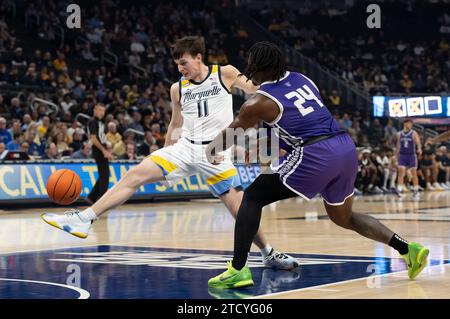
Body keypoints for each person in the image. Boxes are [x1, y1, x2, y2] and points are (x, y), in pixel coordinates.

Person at [41, 36, 298, 270]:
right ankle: (84, 219)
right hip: (184, 148)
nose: (180, 68)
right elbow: (175, 123)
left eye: (183, 62)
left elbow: (257, 90)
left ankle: (268, 253)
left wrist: (283, 87)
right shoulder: (178, 88)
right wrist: (164, 153)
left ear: (199, 57)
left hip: (216, 152)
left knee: (241, 210)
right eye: (177, 64)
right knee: (135, 175)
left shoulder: (226, 73)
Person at [205, 42, 429, 289]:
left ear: (259, 68)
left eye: (252, 68)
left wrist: (210, 149)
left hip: (316, 153)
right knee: (344, 217)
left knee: (254, 196)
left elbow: (231, 134)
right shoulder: (303, 79)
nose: (249, 74)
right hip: (345, 147)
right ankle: (408, 249)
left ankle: (238, 269)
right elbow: (298, 122)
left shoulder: (256, 104)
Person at [85, 103, 112, 204]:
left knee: (103, 176)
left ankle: (91, 197)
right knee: (105, 176)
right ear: (95, 110)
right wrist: (104, 150)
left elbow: (102, 138)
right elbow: (93, 139)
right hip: (98, 150)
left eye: (103, 111)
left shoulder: (101, 122)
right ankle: (101, 200)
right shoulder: (92, 121)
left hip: (101, 150)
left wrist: (107, 148)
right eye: (100, 110)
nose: (102, 112)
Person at [395, 119, 422, 200]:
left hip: (411, 155)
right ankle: (399, 190)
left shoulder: (413, 133)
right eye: (409, 123)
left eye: (411, 124)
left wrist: (419, 149)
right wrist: (396, 155)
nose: (411, 125)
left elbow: (418, 143)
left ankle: (416, 190)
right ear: (405, 124)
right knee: (401, 171)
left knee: (414, 173)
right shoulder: (399, 134)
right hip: (402, 155)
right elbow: (398, 145)